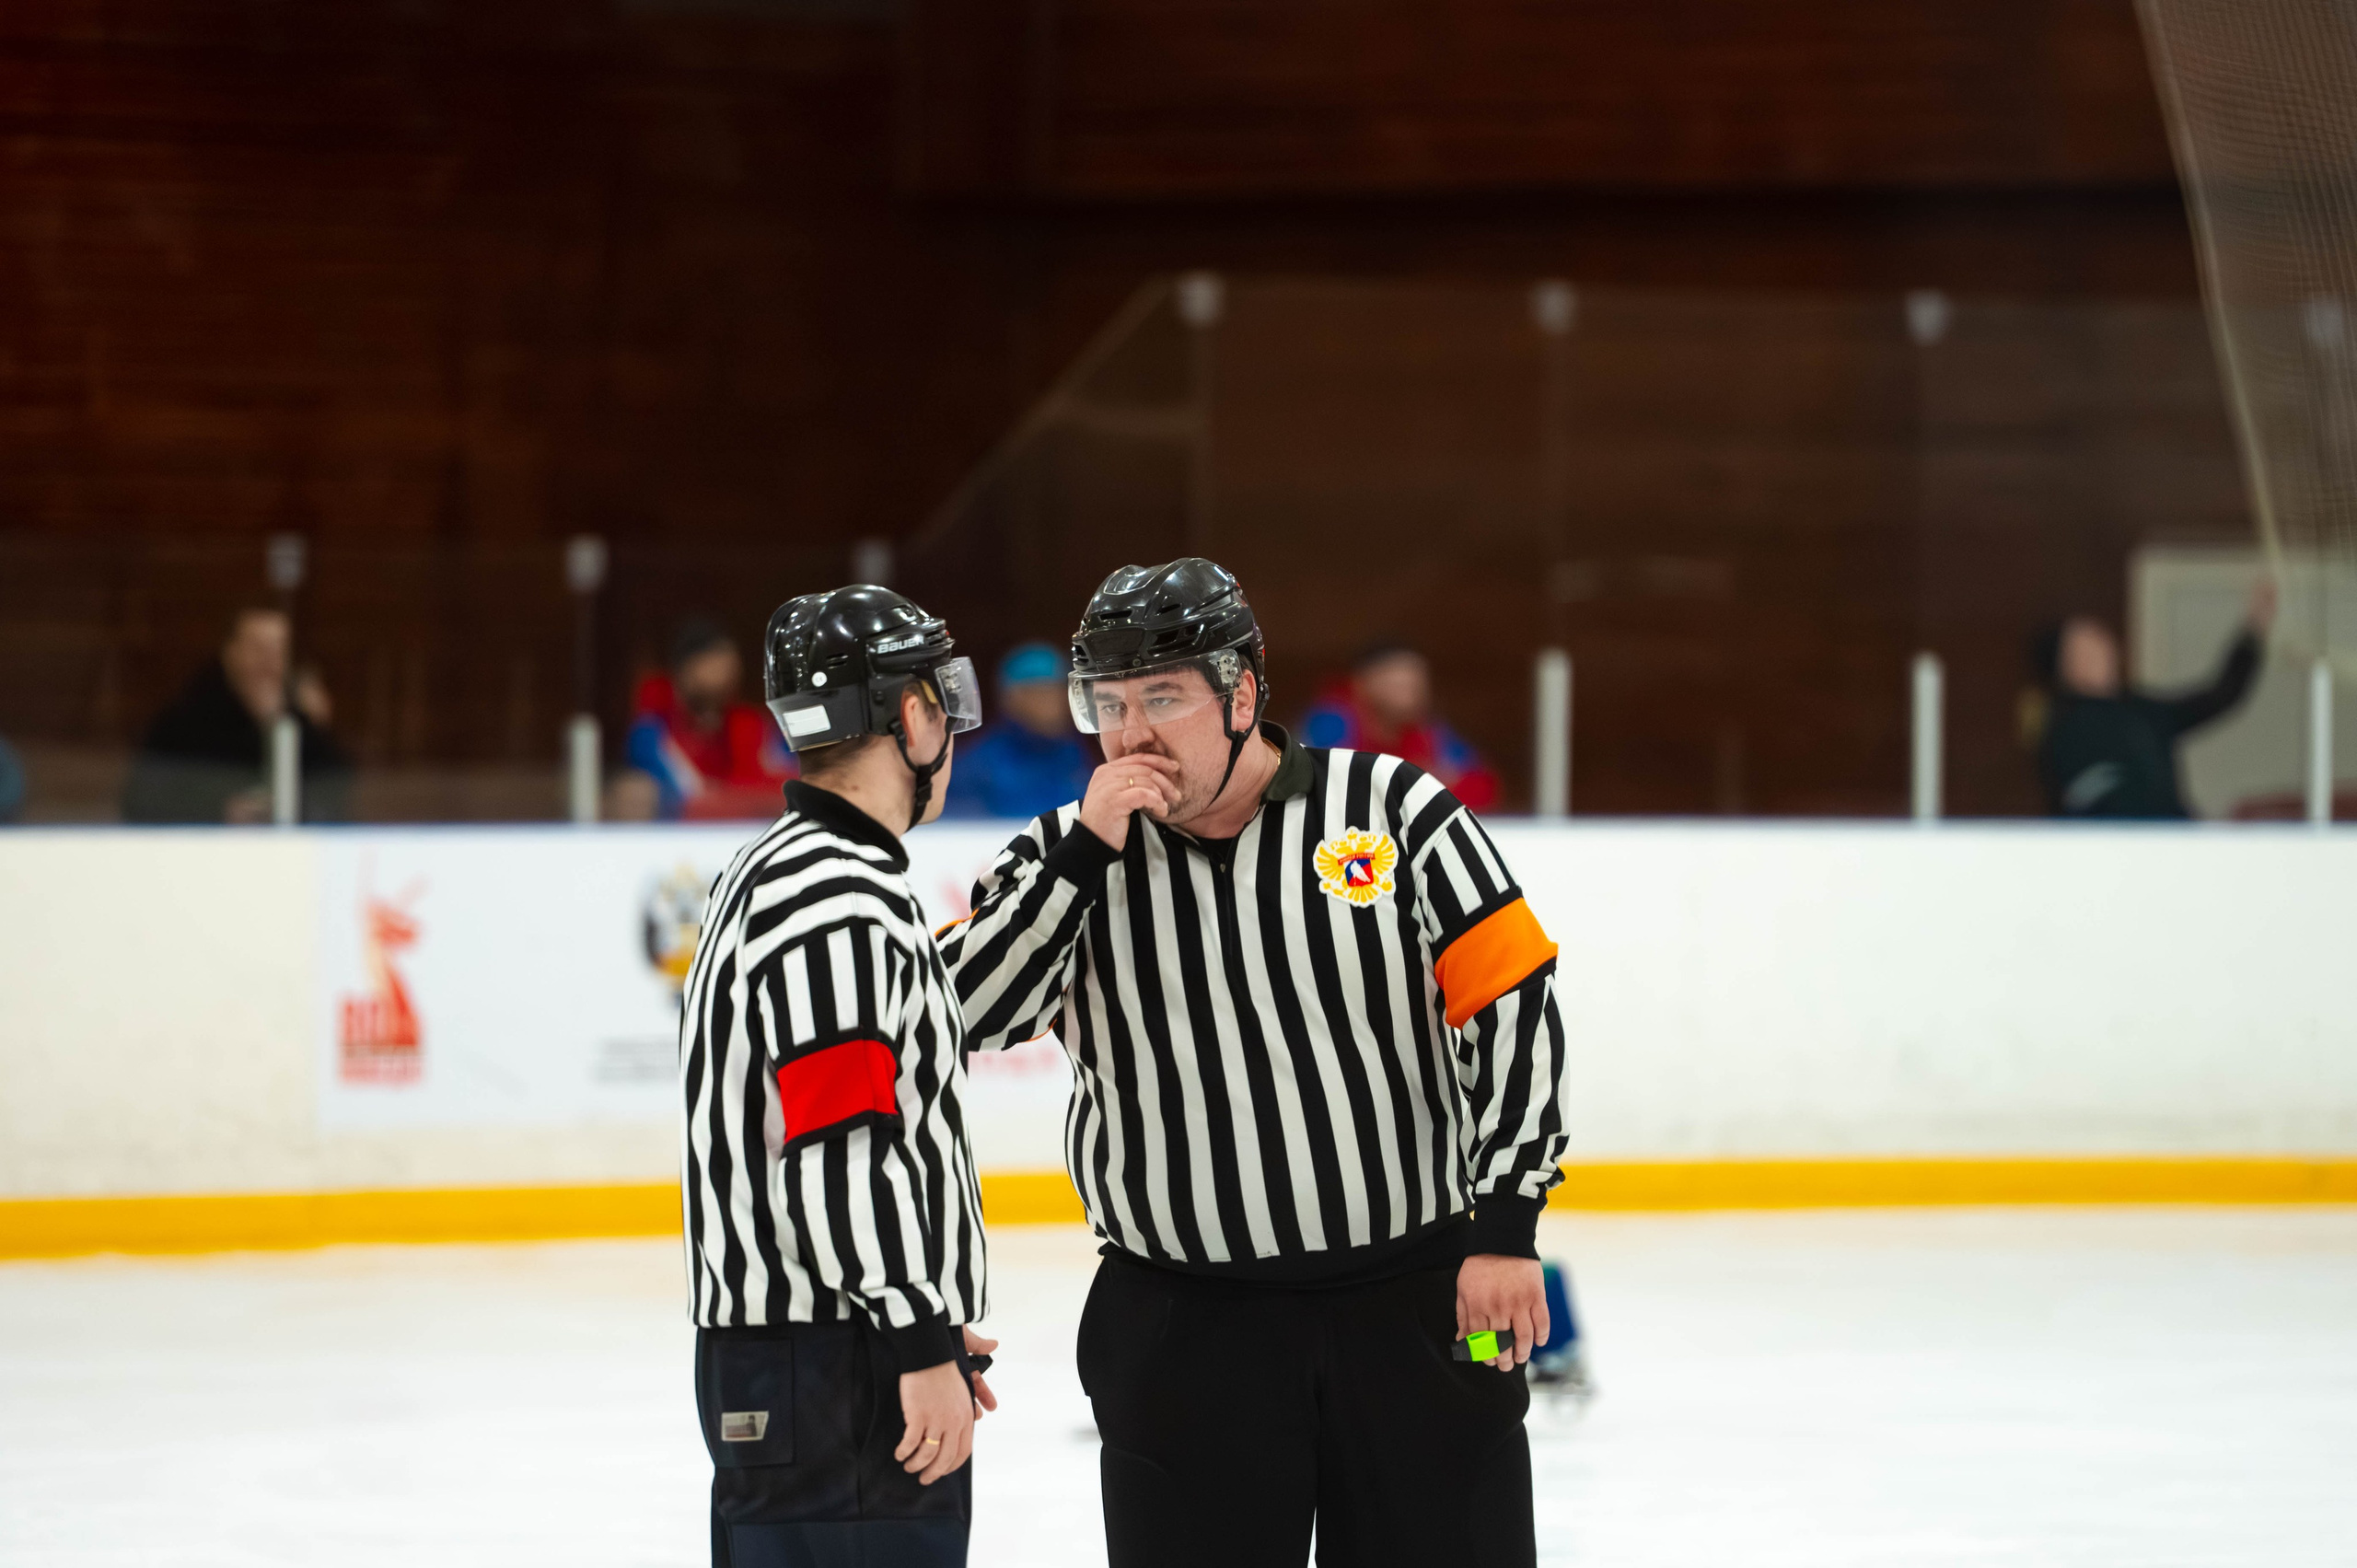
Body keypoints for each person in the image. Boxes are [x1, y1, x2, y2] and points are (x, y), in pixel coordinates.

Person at [943, 559, 1569, 1568]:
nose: (1130, 732)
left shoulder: (1396, 809)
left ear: (1240, 693)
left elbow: (1513, 1002)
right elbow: (966, 1013)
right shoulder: (1060, 853)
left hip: (1423, 1299)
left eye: (1161, 697)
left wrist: (1504, 1228)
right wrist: (1082, 860)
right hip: (1180, 1326)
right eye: (1106, 704)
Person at [678, 584, 999, 1568]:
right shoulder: (840, 898)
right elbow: (842, 1151)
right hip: (834, 1366)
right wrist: (913, 1337)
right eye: (939, 699)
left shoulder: (776, 863)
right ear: (911, 715)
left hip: (811, 1357)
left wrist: (927, 1322)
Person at [2032, 578, 2273, 819]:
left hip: (2175, 843)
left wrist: (2253, 629)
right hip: (2112, 849)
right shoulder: (2064, 728)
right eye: (2083, 649)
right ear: (2064, 667)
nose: (2099, 652)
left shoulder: (2142, 710)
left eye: (2100, 641)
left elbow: (2220, 695)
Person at [122, 605, 351, 823]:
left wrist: (312, 729)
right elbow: (143, 802)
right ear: (231, 653)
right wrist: (218, 810)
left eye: (279, 650)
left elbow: (334, 796)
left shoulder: (302, 724)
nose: (269, 663)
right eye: (258, 649)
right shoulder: (188, 720)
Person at [1299, 637, 1500, 810]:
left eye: (1416, 686)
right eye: (1399, 685)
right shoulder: (1333, 722)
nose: (1411, 695)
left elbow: (1483, 788)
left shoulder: (1427, 731)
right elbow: (1324, 788)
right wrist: (1426, 783)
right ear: (1362, 683)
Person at [624, 616, 795, 819]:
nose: (725, 676)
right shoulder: (654, 734)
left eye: (731, 667)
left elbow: (790, 787)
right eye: (713, 666)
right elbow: (681, 801)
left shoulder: (754, 727)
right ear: (684, 670)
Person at [940, 642, 1097, 819]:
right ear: (1011, 698)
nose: (1055, 703)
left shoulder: (1075, 755)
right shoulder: (978, 766)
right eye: (1042, 692)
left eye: (1061, 690)